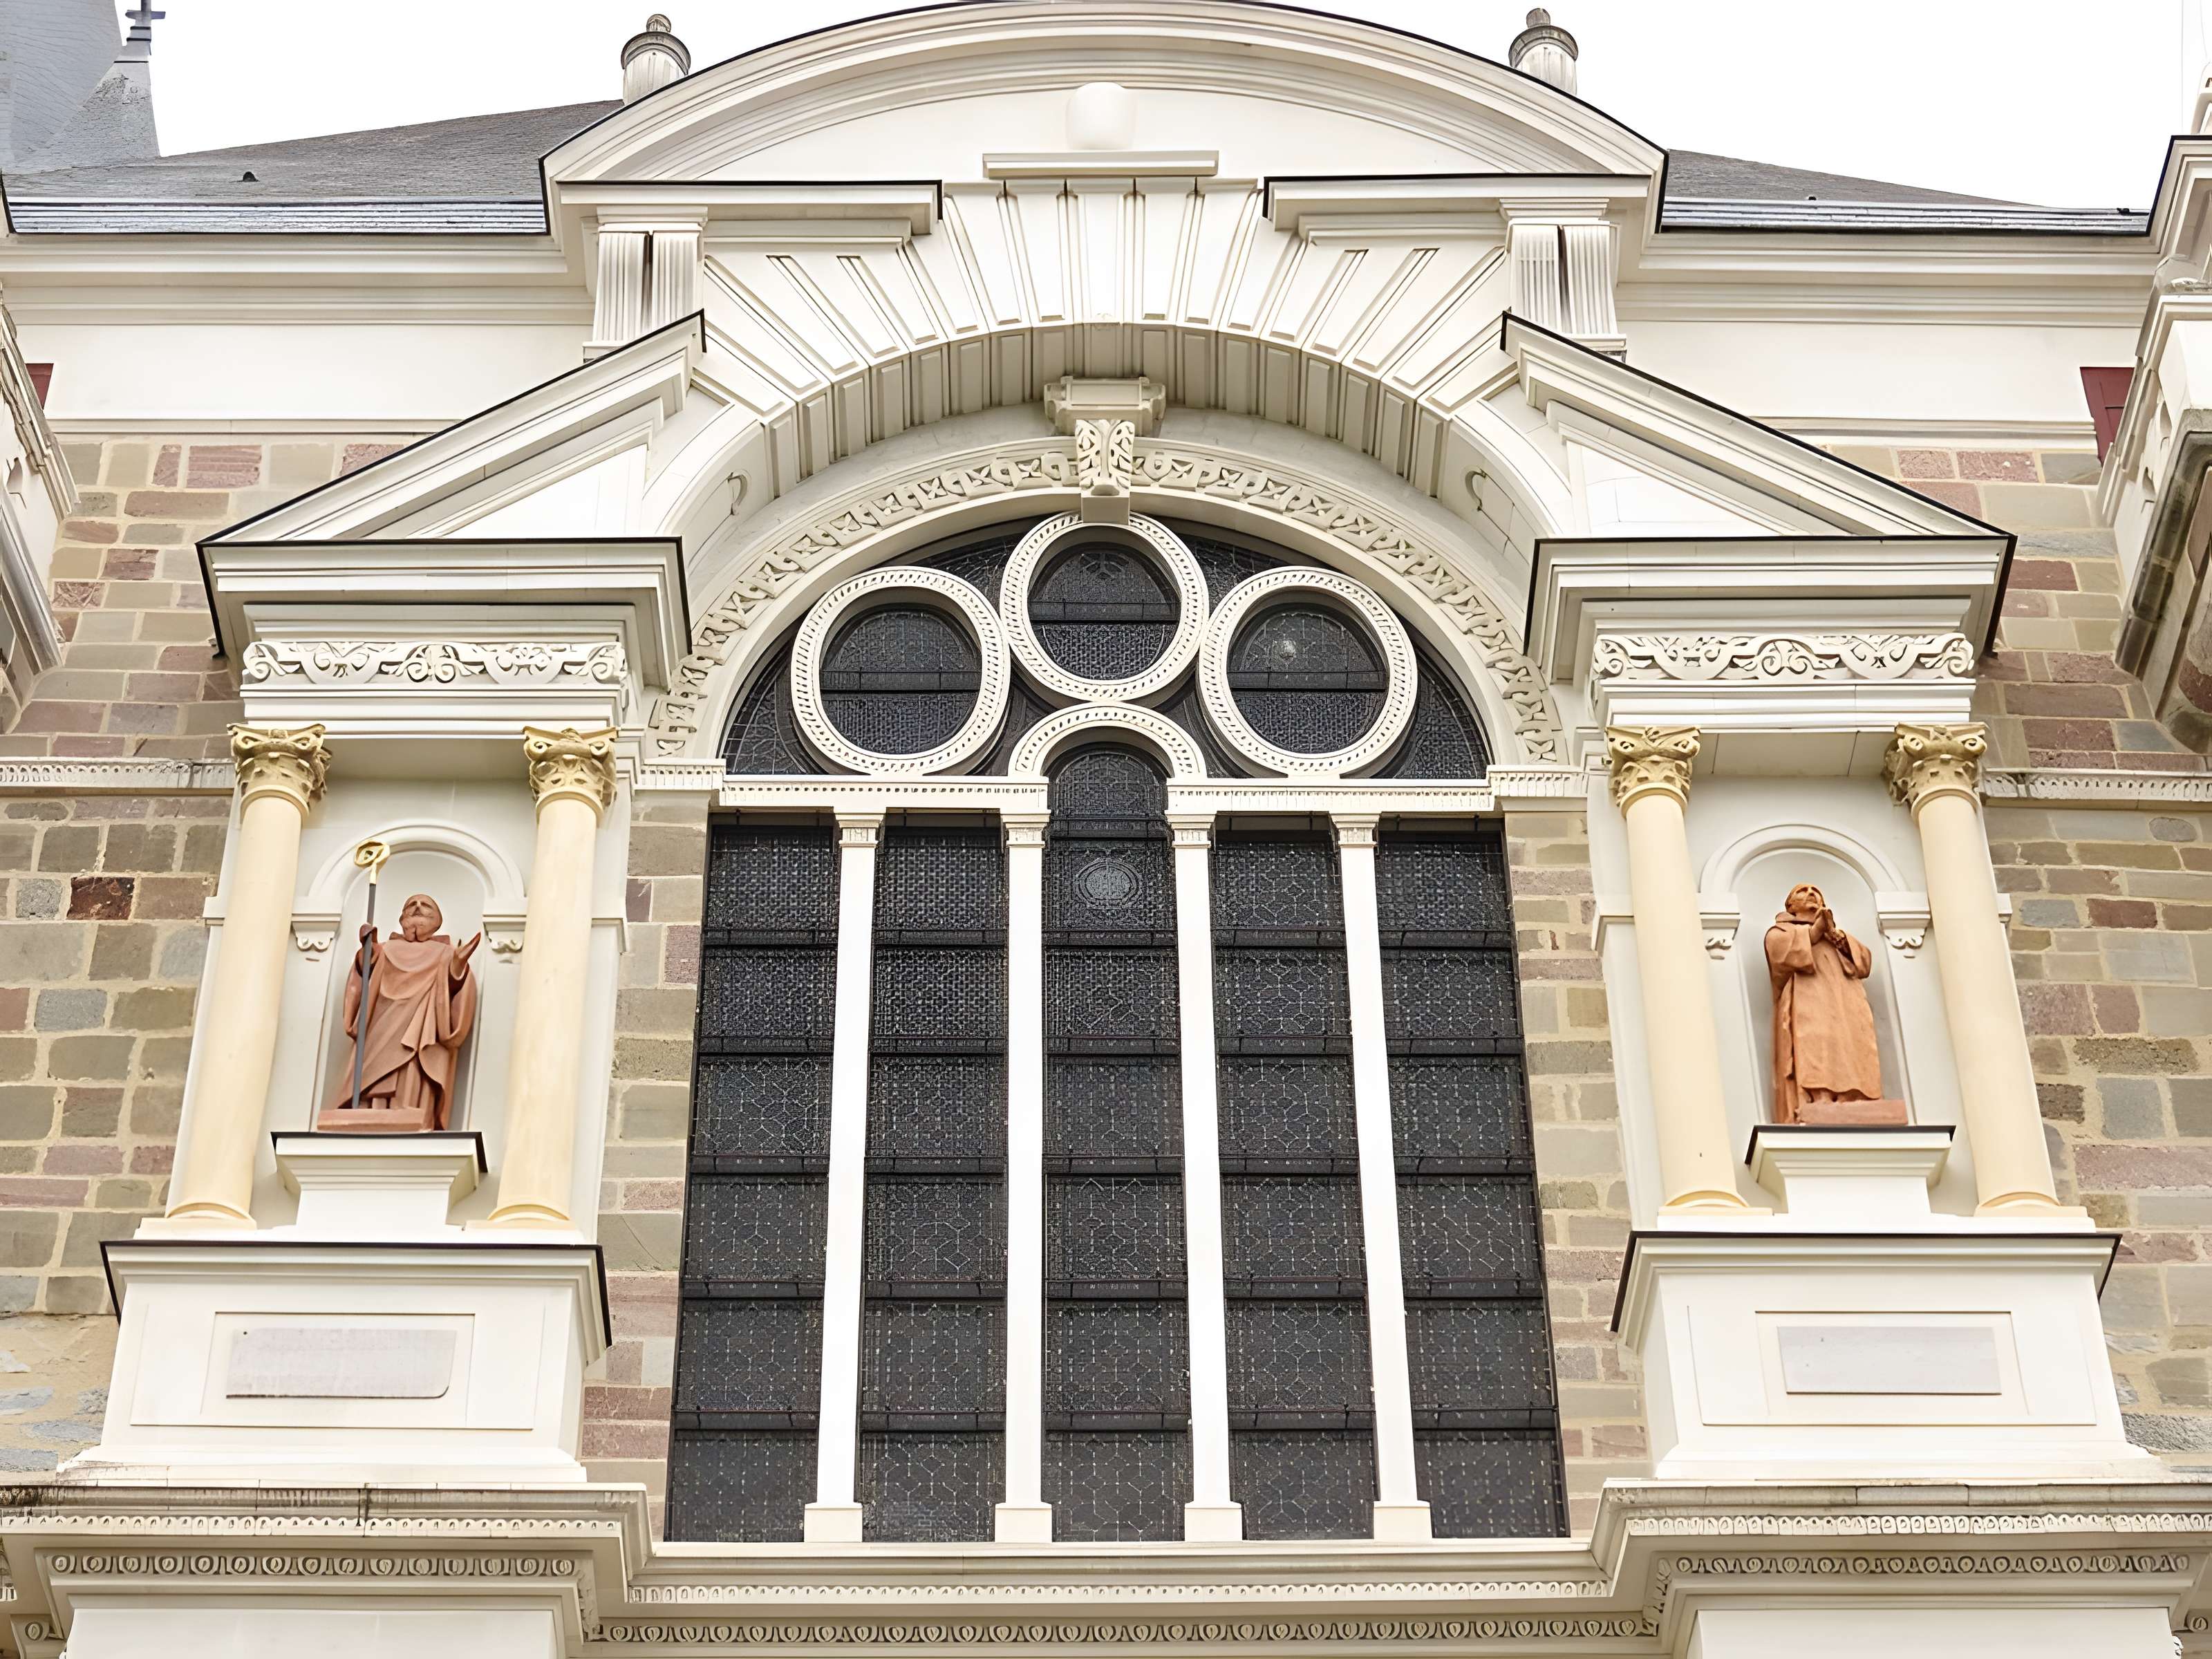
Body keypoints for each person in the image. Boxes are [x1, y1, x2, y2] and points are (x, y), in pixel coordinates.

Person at [320, 892, 481, 1132]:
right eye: (411, 905)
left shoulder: (445, 953)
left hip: (420, 1021)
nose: (417, 907)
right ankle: (365, 1109)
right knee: (371, 1066)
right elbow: (364, 977)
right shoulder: (384, 949)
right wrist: (367, 951)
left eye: (425, 905)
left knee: (413, 1063)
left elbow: (455, 990)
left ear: (437, 920)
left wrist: (457, 966)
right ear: (401, 916)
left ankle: (409, 1106)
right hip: (382, 1023)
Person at [1763, 881, 1890, 1124]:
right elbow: (1779, 955)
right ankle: (1819, 1098)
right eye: (1803, 891)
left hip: (1845, 1002)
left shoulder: (1836, 936)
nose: (1811, 893)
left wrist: (1835, 935)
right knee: (1815, 1044)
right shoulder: (1782, 931)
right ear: (1791, 905)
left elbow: (1864, 963)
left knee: (1850, 1044)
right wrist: (1813, 933)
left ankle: (1852, 1100)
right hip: (1808, 1000)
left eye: (1816, 892)